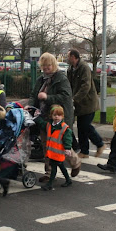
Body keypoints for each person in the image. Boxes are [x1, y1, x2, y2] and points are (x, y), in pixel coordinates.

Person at [28, 52, 81, 181]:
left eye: (48, 66)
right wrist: (30, 106)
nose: (46, 68)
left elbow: (65, 97)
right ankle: (49, 172)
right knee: (47, 145)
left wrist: (47, 97)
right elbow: (33, 94)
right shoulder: (41, 79)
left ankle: (75, 162)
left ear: (53, 65)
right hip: (44, 116)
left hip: (58, 117)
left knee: (60, 144)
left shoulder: (61, 79)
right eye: (43, 66)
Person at [67, 48, 105, 159]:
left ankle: (100, 144)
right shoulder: (70, 70)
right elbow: (69, 85)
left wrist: (74, 99)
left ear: (73, 57)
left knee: (85, 126)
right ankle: (84, 151)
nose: (67, 59)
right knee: (81, 127)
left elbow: (86, 86)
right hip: (79, 105)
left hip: (88, 103)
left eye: (68, 56)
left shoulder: (84, 68)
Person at [34, 105, 73, 191]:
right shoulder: (49, 125)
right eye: (54, 115)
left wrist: (67, 148)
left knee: (54, 168)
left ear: (62, 116)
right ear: (51, 116)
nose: (56, 117)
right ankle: (68, 180)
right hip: (52, 153)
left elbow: (68, 139)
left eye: (59, 115)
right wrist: (37, 117)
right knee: (62, 167)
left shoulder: (64, 128)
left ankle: (50, 184)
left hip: (58, 153)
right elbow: (42, 124)